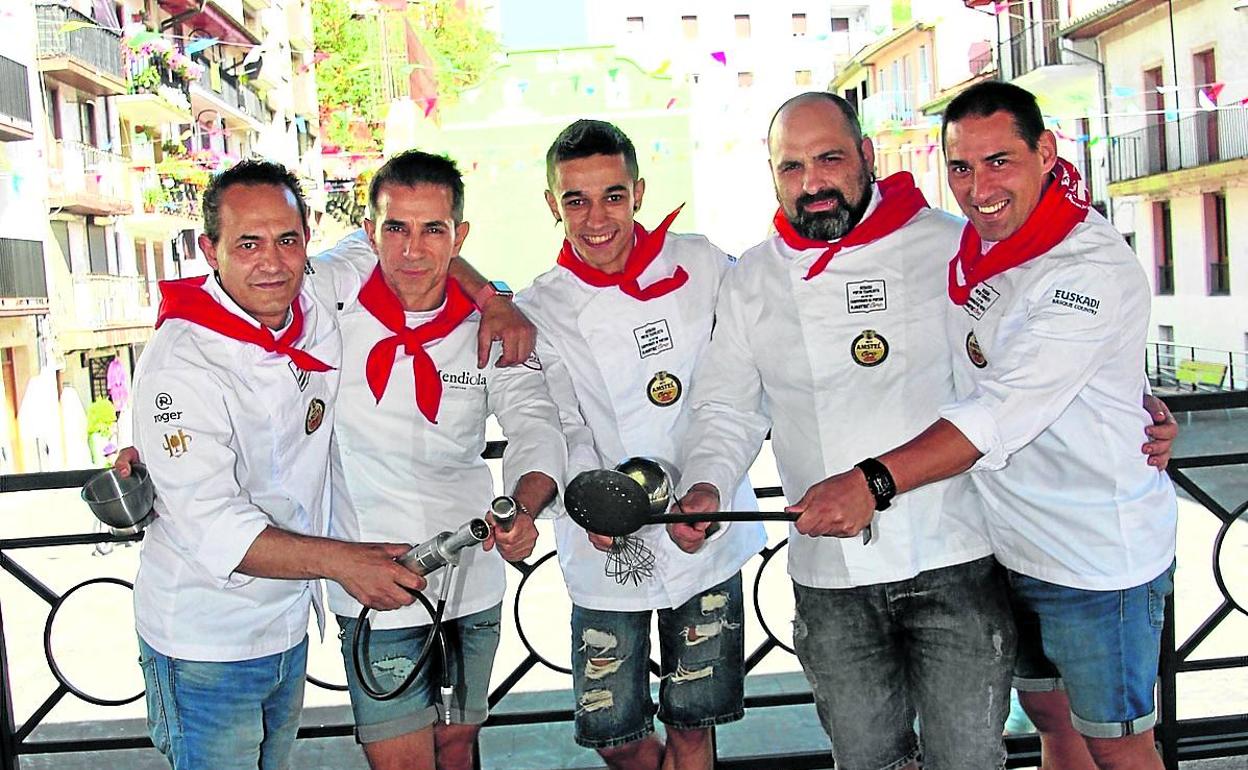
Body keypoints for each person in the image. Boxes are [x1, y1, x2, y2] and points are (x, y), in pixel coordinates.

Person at [671, 92, 1177, 770]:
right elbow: (726, 408)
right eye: (791, 167)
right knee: (871, 760)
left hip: (960, 554)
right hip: (835, 574)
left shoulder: (951, 242)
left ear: (867, 157)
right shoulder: (754, 279)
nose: (813, 182)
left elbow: (1017, 377)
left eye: (830, 158)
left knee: (977, 759)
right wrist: (705, 481)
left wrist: (1127, 399)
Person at [124, 159, 539, 770]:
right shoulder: (182, 361)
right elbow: (210, 523)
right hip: (203, 637)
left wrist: (492, 297)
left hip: (287, 625)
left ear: (307, 241)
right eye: (247, 243)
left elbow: (424, 238)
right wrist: (345, 562)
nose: (271, 261)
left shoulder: (317, 293)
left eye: (287, 240)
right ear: (210, 251)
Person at [516, 119, 766, 770]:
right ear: (552, 205)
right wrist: (591, 502)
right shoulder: (539, 306)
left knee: (694, 722)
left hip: (703, 532)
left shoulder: (702, 263)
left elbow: (743, 375)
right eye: (575, 200)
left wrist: (710, 480)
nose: (596, 219)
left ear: (639, 191)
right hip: (604, 542)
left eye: (613, 196)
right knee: (613, 732)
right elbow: (560, 420)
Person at [317, 149, 566, 770]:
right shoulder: (330, 302)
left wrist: (524, 506)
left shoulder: (491, 327)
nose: (412, 250)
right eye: (394, 228)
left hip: (470, 576)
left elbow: (534, 424)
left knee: (458, 748)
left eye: (433, 230)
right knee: (400, 760)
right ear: (368, 231)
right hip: (375, 575)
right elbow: (238, 297)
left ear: (460, 236)